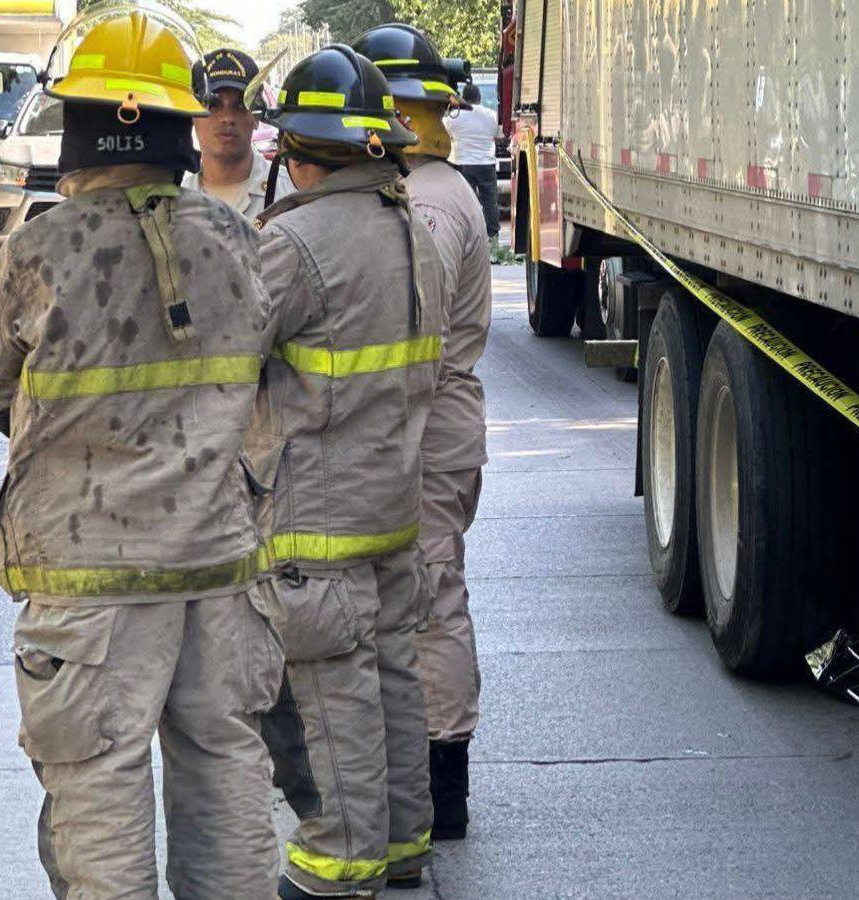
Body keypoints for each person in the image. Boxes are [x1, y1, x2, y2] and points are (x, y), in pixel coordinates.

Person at [0, 6, 284, 898]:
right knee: (227, 772)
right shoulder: (238, 240)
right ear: (181, 125)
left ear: (78, 126)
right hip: (219, 567)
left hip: (87, 585)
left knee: (99, 788)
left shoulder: (37, 248)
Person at [252, 45, 446, 899]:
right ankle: (403, 844)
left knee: (334, 696)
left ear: (298, 150)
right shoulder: (412, 231)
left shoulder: (294, 243)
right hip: (391, 508)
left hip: (316, 520)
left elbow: (227, 355)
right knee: (393, 674)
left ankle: (337, 863)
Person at [355, 22, 492, 844]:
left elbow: (414, 333)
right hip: (427, 422)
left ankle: (444, 781)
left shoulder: (428, 202)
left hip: (425, 424)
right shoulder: (423, 188)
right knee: (421, 592)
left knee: (432, 595)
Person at [183, 47, 292, 218]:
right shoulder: (174, 204)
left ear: (256, 116)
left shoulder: (291, 194)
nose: (227, 117)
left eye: (240, 105)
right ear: (192, 115)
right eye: (213, 104)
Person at [444, 82, 501, 241]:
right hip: (486, 164)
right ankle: (492, 236)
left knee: (466, 202)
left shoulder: (453, 117)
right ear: (479, 97)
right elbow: (498, 135)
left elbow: (447, 135)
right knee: (490, 202)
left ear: (463, 98)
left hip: (463, 164)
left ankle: (469, 236)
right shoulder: (491, 115)